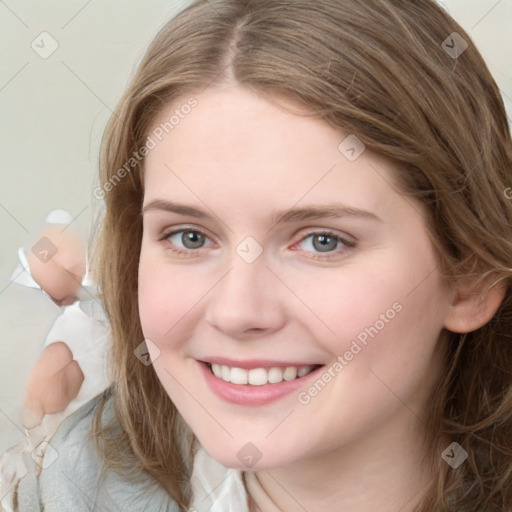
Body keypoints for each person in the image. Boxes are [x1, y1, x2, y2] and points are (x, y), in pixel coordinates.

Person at [2, 0, 512, 510]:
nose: (237, 312)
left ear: (471, 275)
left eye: (322, 241)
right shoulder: (58, 488)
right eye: (190, 237)